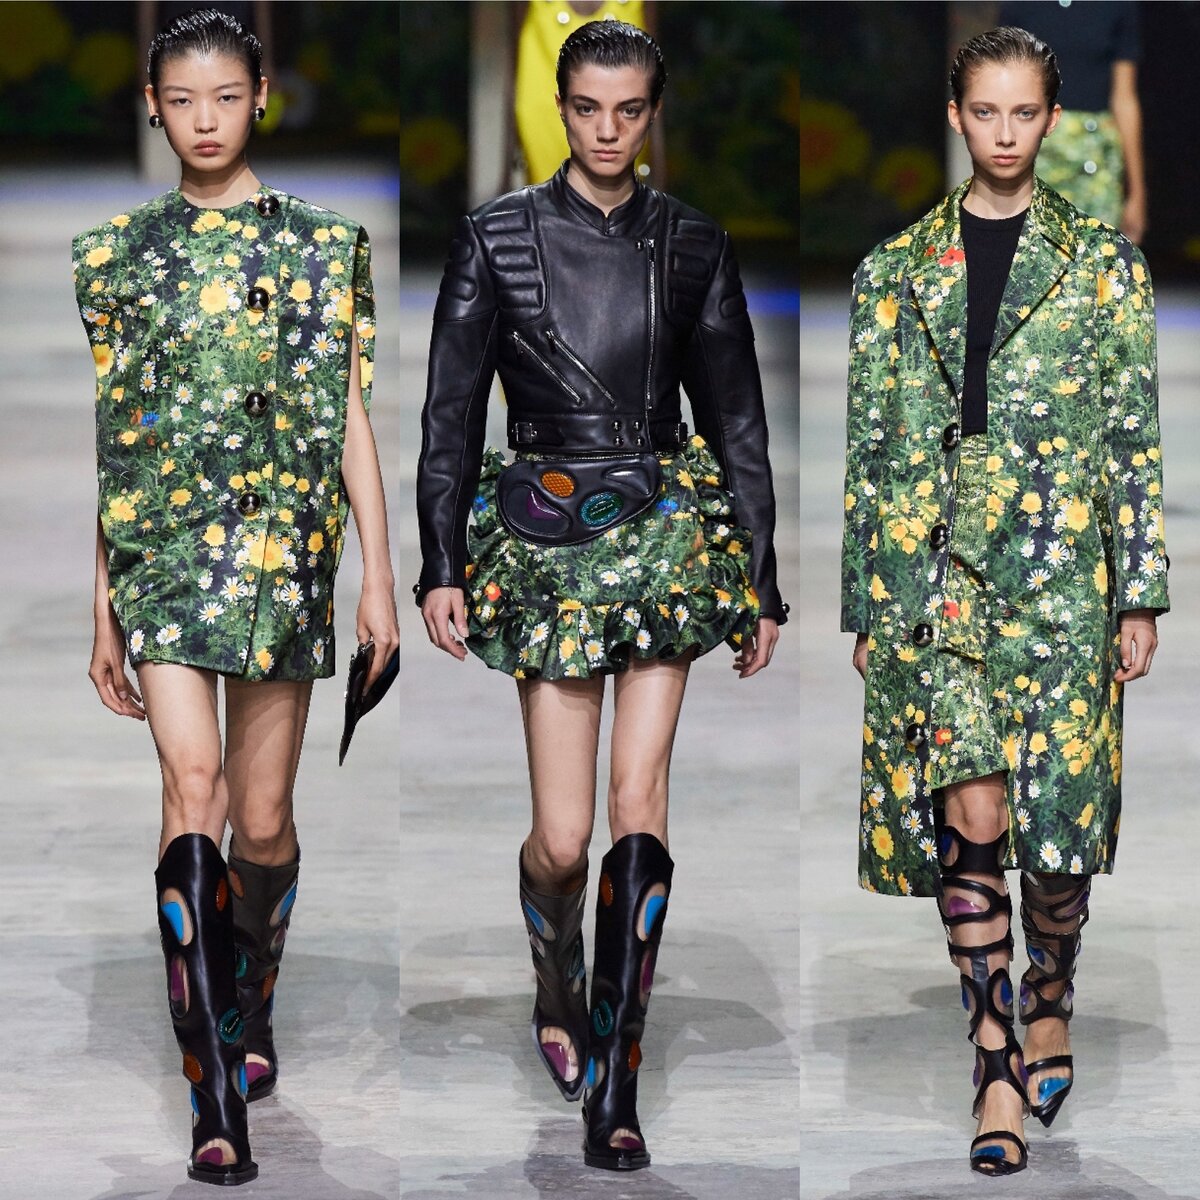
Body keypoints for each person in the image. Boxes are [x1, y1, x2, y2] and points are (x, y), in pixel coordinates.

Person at [417, 20, 785, 1172]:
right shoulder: (496, 238)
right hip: (545, 536)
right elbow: (450, 412)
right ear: (561, 107)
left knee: (639, 800)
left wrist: (761, 577)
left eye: (629, 111)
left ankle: (617, 1077)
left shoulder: (694, 245)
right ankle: (555, 974)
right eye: (588, 108)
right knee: (564, 837)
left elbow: (736, 417)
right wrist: (440, 561)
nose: (608, 130)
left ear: (652, 113)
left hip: (663, 532)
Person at [71, 9, 397, 1186]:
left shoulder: (323, 247)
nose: (203, 120)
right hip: (165, 554)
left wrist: (380, 577)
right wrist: (102, 598)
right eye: (181, 100)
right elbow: (118, 436)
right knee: (193, 787)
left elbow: (349, 416)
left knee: (261, 821)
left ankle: (248, 994)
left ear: (262, 95)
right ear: (152, 107)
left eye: (223, 96)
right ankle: (214, 1087)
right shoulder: (115, 256)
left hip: (281, 555)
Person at [840, 26, 1167, 1176]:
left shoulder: (1106, 266)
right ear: (955, 116)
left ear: (1052, 120)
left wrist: (1140, 592)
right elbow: (871, 446)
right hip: (937, 576)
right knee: (968, 812)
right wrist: (869, 604)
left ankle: (1050, 991)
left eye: (1026, 113)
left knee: (1057, 840)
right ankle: (992, 1060)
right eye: (987, 112)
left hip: (1061, 571)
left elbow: (1131, 433)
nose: (1007, 133)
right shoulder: (893, 271)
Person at [999, 1, 1147, 241]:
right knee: (1034, 253)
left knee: (1097, 252)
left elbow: (1124, 98)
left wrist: (1137, 192)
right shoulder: (1019, 4)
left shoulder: (1117, 5)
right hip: (1036, 151)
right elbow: (1004, 90)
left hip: (1096, 159)